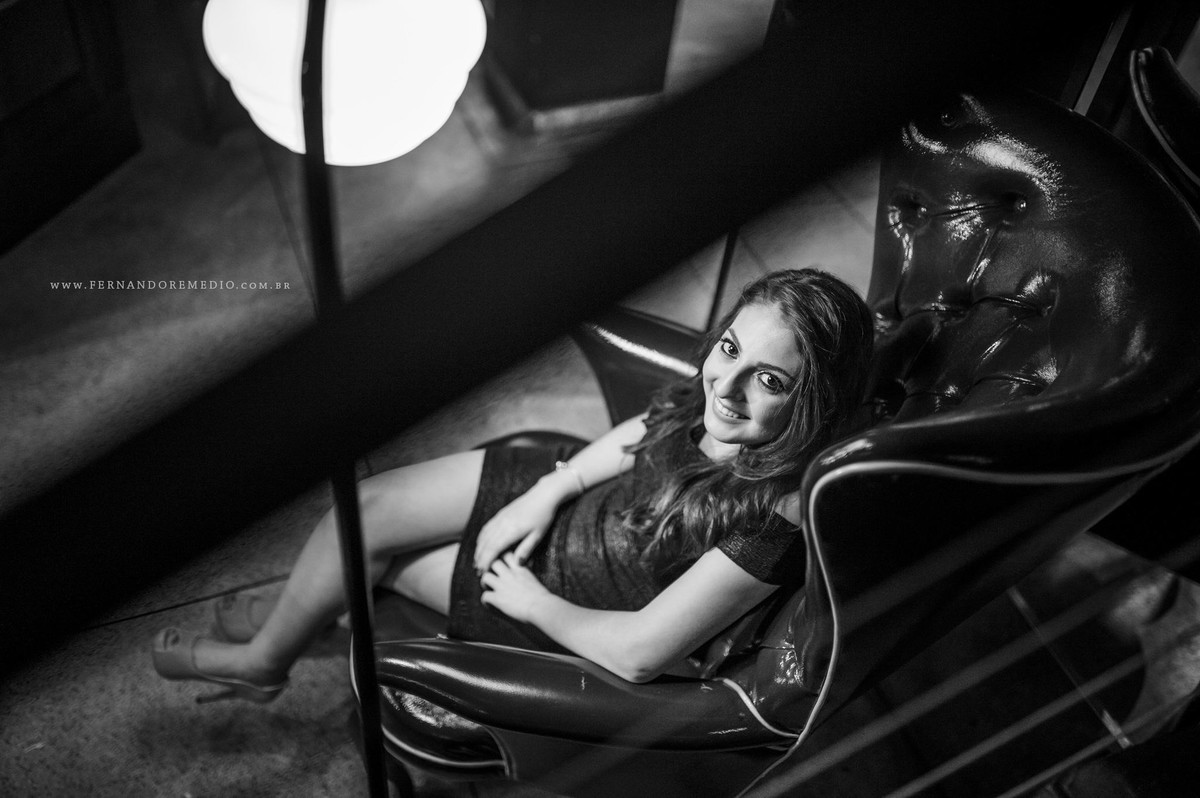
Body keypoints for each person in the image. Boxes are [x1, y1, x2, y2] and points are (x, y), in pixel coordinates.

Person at [151, 268, 874, 701]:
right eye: (729, 348)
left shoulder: (773, 522)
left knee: (381, 561)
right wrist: (553, 487)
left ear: (812, 404)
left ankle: (267, 657)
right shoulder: (718, 397)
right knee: (366, 509)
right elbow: (648, 429)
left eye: (769, 380)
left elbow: (640, 653)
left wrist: (536, 605)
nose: (728, 385)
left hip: (574, 592)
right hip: (579, 504)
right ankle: (300, 618)